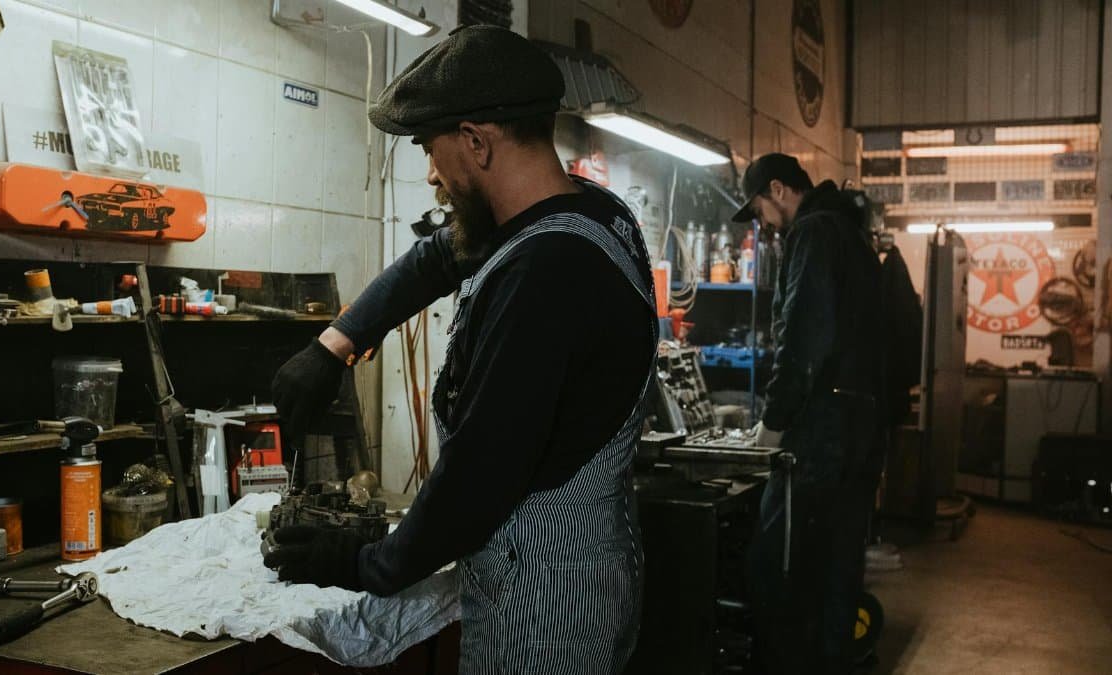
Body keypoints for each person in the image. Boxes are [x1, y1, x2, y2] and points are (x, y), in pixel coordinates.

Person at [267, 26, 658, 674]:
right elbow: (436, 256)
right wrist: (336, 344)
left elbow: (477, 478)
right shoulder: (584, 212)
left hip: (545, 600)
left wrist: (359, 561)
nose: (430, 176)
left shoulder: (545, 276)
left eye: (430, 149)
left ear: (477, 142)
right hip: (589, 562)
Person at [732, 154, 885, 673]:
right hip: (861, 429)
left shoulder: (814, 233)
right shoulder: (852, 235)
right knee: (838, 571)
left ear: (777, 189)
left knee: (774, 570)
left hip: (821, 437)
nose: (761, 224)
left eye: (758, 210)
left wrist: (773, 424)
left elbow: (803, 336)